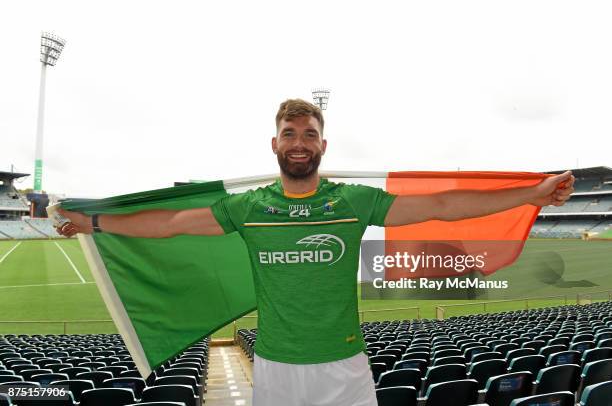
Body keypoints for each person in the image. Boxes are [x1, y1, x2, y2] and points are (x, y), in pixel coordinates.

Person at [56, 99, 575, 406]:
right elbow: (169, 223)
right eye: (290, 134)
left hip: (345, 366)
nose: (299, 141)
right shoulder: (248, 207)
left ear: (322, 145)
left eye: (309, 134)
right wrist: (93, 222)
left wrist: (529, 194)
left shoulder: (352, 201)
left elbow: (442, 203)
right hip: (277, 368)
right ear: (275, 145)